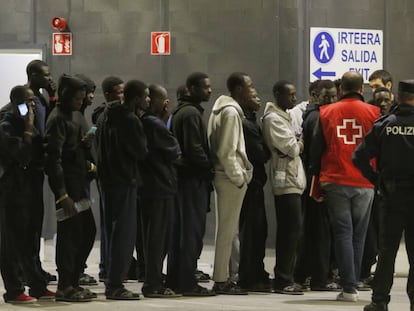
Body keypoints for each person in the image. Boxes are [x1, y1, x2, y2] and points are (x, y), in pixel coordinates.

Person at [309, 71, 379, 302]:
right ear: (362, 89)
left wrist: (315, 179)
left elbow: (317, 149)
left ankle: (348, 286)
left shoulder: (326, 112)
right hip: (365, 181)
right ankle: (354, 283)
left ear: (341, 90)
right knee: (358, 235)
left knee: (343, 233)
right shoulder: (375, 113)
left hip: (335, 178)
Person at [353, 80, 414, 311]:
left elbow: (358, 157)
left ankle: (379, 302)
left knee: (387, 252)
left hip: (391, 197)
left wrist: (377, 180)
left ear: (398, 96)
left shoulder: (384, 125)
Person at [0, 86, 55, 303]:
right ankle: (14, 290)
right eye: (26, 102)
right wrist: (29, 127)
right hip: (12, 190)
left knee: (31, 239)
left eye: (33, 102)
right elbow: (21, 155)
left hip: (30, 187)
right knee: (12, 241)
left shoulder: (31, 122)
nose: (31, 107)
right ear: (15, 103)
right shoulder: (7, 126)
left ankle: (37, 285)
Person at [45, 74, 97, 302]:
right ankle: (64, 286)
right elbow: (53, 160)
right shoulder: (57, 119)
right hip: (67, 189)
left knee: (86, 233)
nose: (80, 102)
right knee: (69, 237)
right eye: (77, 98)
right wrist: (61, 194)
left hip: (80, 185)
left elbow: (73, 147)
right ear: (67, 95)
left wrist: (85, 145)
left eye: (82, 98)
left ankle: (74, 281)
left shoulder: (75, 115)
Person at [96, 79, 148, 300]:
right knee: (124, 234)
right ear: (135, 98)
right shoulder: (129, 120)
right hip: (124, 180)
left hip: (107, 182)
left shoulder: (105, 116)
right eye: (145, 96)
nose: (148, 100)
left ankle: (112, 278)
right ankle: (115, 285)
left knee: (112, 233)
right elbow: (140, 151)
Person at [167, 72, 215, 296]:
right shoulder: (190, 114)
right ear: (192, 88)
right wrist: (209, 167)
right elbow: (194, 149)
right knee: (191, 233)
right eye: (205, 87)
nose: (210, 91)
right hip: (192, 181)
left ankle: (177, 279)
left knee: (181, 232)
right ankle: (186, 282)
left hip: (184, 181)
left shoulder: (182, 112)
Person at [208, 72, 254, 295]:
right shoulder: (231, 113)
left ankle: (223, 277)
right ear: (238, 90)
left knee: (227, 230)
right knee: (227, 231)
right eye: (249, 86)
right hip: (229, 177)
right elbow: (227, 151)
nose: (252, 90)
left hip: (222, 175)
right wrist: (239, 177)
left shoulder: (219, 110)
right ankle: (221, 279)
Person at [295, 79, 341, 292]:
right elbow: (316, 153)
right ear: (315, 96)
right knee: (319, 232)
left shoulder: (315, 114)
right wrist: (319, 182)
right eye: (326, 97)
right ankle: (320, 278)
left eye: (334, 96)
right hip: (317, 180)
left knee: (313, 230)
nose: (331, 100)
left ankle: (306, 274)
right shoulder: (318, 116)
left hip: (314, 179)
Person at [262, 80, 306, 295]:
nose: (294, 98)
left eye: (295, 94)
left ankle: (286, 276)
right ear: (277, 94)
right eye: (290, 94)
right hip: (285, 182)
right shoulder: (273, 119)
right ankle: (282, 279)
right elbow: (291, 148)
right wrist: (298, 143)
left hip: (293, 180)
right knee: (289, 232)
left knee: (294, 231)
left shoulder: (284, 116)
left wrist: (295, 143)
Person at [139, 84, 182, 298]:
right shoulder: (154, 123)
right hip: (160, 187)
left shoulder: (145, 122)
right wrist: (165, 120)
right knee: (158, 238)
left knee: (152, 237)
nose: (167, 104)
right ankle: (153, 283)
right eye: (163, 99)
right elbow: (175, 152)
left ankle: (153, 278)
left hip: (150, 187)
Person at [237, 87, 271, 292]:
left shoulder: (252, 121)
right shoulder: (247, 124)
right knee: (252, 232)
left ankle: (257, 272)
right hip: (251, 184)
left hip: (256, 184)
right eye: (254, 96)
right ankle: (249, 276)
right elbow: (261, 154)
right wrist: (266, 147)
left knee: (259, 231)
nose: (259, 99)